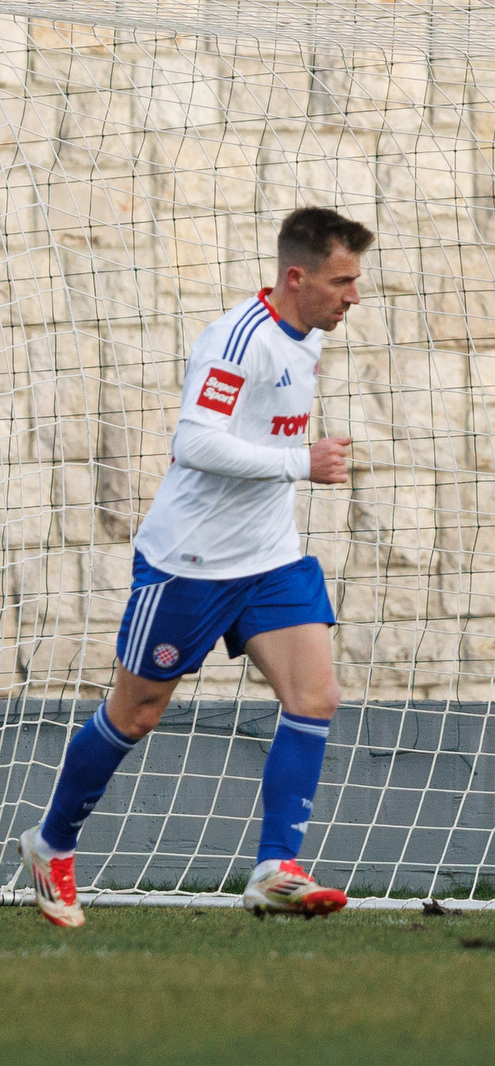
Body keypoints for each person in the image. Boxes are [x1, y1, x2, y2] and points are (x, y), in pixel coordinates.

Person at [19, 207, 374, 925]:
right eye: (342, 281)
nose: (354, 296)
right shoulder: (236, 340)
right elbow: (196, 442)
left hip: (270, 560)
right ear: (296, 277)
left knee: (316, 697)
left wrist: (290, 468)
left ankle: (275, 869)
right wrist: (299, 462)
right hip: (190, 563)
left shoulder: (307, 337)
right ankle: (51, 843)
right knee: (137, 712)